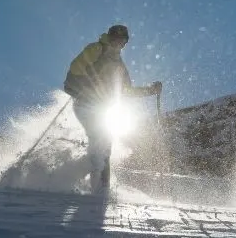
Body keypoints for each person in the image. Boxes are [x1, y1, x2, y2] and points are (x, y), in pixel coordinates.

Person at [64, 24, 162, 192]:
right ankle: (92, 185)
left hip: (104, 108)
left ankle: (98, 187)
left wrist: (150, 90)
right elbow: (76, 67)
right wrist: (81, 82)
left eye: (122, 40)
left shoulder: (120, 65)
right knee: (100, 140)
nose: (118, 43)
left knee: (105, 146)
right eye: (115, 38)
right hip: (86, 102)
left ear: (125, 43)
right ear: (109, 37)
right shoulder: (96, 49)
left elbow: (126, 91)